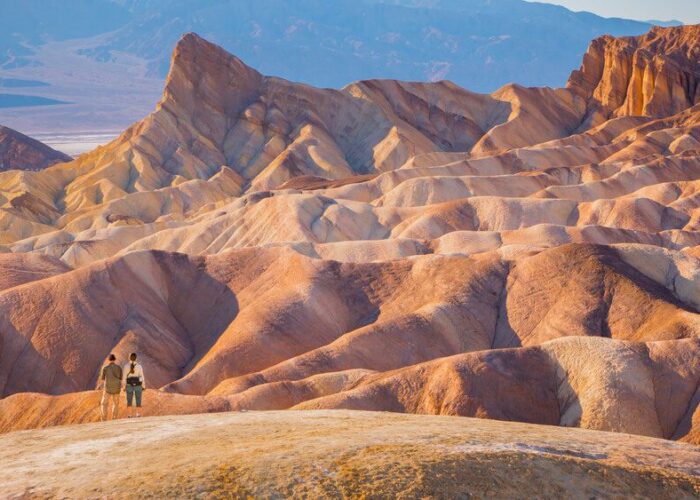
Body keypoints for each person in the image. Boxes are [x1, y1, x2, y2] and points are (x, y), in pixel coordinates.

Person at [99, 354, 123, 421]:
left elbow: (103, 378)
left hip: (107, 389)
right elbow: (121, 378)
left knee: (104, 404)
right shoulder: (119, 368)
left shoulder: (105, 368)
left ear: (108, 360)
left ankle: (104, 419)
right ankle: (114, 419)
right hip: (117, 388)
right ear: (114, 359)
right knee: (115, 404)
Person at [123, 352, 146, 418]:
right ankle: (138, 414)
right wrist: (143, 386)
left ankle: (129, 415)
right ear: (136, 358)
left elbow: (124, 377)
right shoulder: (139, 366)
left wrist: (124, 387)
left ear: (129, 358)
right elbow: (142, 377)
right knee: (138, 399)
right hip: (138, 385)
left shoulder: (126, 366)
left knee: (129, 400)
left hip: (129, 385)